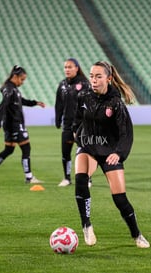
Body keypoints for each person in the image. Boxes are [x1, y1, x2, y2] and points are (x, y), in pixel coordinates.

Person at [73, 61, 150, 248]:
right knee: (81, 179)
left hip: (110, 151)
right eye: (91, 76)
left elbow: (126, 133)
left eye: (98, 76)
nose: (93, 80)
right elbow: (77, 120)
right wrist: (78, 136)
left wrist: (119, 153)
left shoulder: (115, 103)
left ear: (108, 78)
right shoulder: (83, 96)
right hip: (89, 147)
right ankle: (86, 225)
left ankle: (137, 234)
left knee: (120, 198)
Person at [0, 65, 45, 184]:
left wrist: (35, 103)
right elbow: (3, 105)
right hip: (14, 125)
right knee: (26, 148)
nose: (22, 82)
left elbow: (22, 101)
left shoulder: (13, 89)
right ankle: (29, 177)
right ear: (15, 76)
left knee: (9, 150)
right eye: (22, 79)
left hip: (11, 125)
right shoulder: (9, 89)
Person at [54, 58, 97, 187]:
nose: (67, 69)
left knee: (85, 152)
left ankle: (88, 178)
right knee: (65, 152)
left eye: (70, 67)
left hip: (82, 125)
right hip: (67, 125)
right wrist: (58, 118)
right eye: (65, 67)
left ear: (77, 68)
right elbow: (59, 104)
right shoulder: (62, 85)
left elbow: (91, 103)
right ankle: (67, 178)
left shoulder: (85, 84)